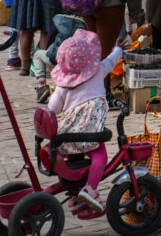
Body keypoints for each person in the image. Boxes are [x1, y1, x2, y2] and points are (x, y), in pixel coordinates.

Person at [48, 29, 122, 211]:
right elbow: (111, 62)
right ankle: (90, 190)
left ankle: (74, 195)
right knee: (100, 157)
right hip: (91, 133)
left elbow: (53, 108)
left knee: (74, 158)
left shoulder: (62, 85)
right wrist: (118, 50)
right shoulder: (98, 72)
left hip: (70, 134)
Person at [34, 12, 85, 103]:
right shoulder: (85, 22)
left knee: (37, 55)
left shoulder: (59, 19)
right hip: (78, 58)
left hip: (58, 56)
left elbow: (50, 37)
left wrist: (50, 52)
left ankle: (42, 85)